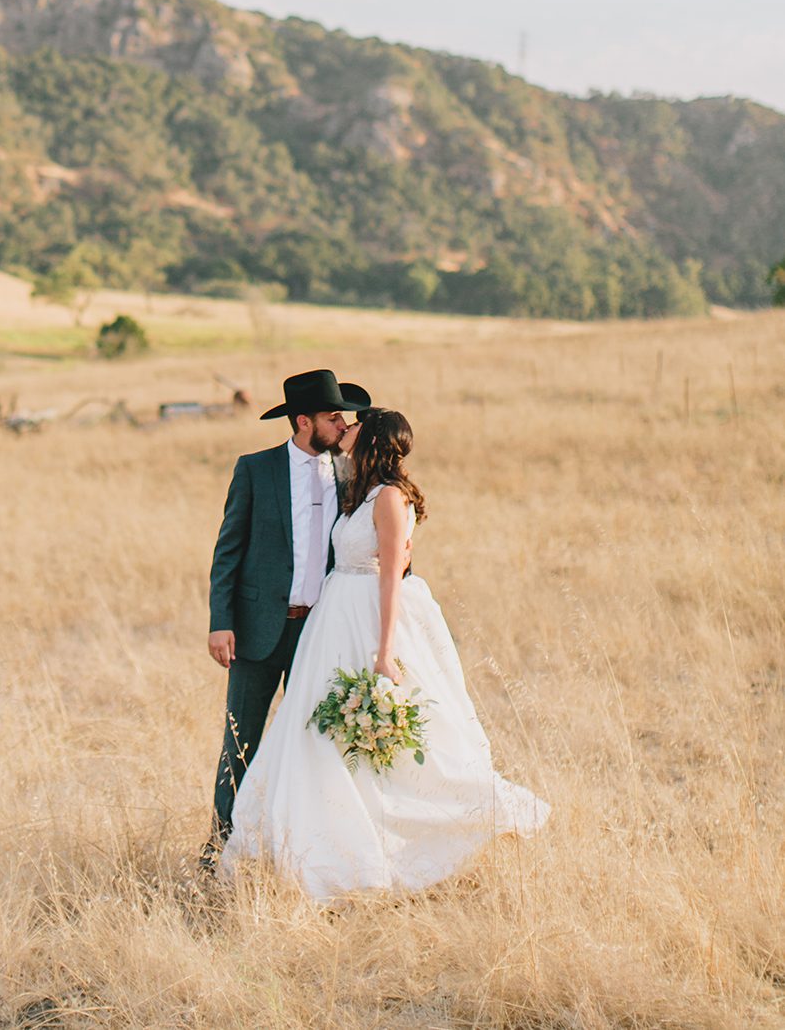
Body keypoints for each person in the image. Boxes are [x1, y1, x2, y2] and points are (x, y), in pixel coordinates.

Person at [219, 407, 550, 900]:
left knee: (376, 742)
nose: (344, 429)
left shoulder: (390, 498)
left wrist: (385, 651)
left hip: (367, 625)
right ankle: (312, 845)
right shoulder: (359, 491)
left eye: (352, 425)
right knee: (319, 737)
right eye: (339, 421)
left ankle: (395, 846)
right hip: (332, 625)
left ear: (369, 437)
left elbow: (393, 576)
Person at [203, 369, 374, 868]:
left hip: (320, 633)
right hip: (256, 631)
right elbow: (228, 550)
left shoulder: (350, 473)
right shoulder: (255, 469)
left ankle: (305, 857)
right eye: (332, 416)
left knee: (318, 747)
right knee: (242, 742)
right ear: (303, 421)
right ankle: (220, 852)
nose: (343, 424)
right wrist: (221, 621)